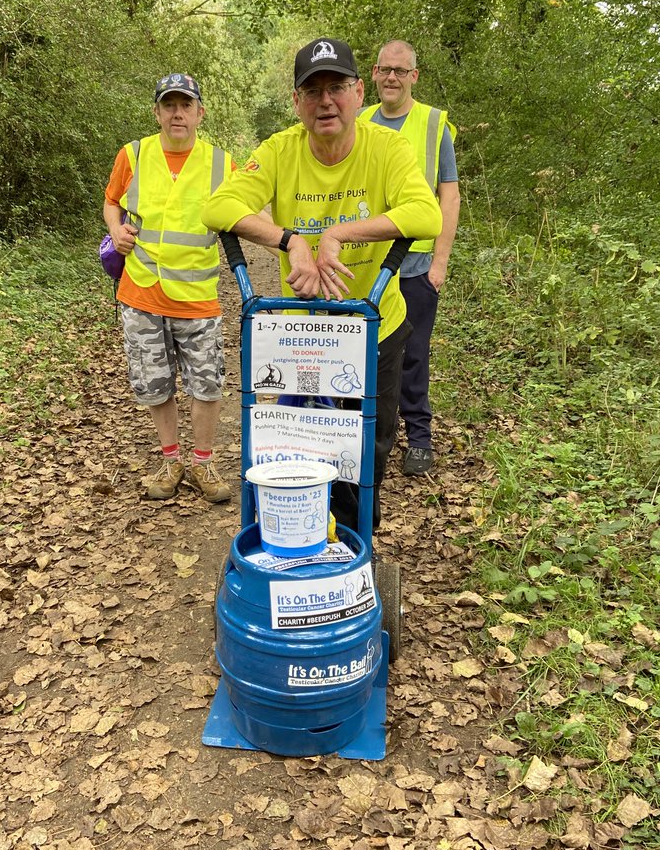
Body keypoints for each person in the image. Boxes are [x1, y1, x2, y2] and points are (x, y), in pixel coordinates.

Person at [201, 38, 442, 531]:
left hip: (374, 326)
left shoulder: (387, 148)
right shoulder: (279, 150)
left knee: (365, 447)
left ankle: (353, 543)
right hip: (302, 338)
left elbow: (427, 213)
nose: (325, 101)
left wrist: (338, 233)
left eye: (336, 87)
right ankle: (295, 535)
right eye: (312, 91)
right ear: (296, 102)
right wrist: (291, 240)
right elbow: (218, 208)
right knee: (295, 442)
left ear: (358, 92)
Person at [103, 73, 234, 503]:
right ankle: (171, 459)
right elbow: (111, 202)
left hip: (197, 297)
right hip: (141, 291)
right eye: (169, 105)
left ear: (200, 112)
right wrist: (116, 229)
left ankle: (202, 462)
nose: (178, 113)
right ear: (158, 111)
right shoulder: (133, 154)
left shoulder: (221, 163)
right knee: (154, 385)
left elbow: (242, 214)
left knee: (207, 385)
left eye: (186, 105)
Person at [360, 40, 460, 476]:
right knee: (363, 353)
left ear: (414, 76)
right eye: (385, 69)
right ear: (374, 74)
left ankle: (418, 438)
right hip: (364, 263)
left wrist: (440, 262)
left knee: (413, 352)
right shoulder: (358, 120)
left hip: (416, 263)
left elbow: (449, 195)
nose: (392, 77)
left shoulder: (435, 124)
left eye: (401, 71)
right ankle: (367, 437)